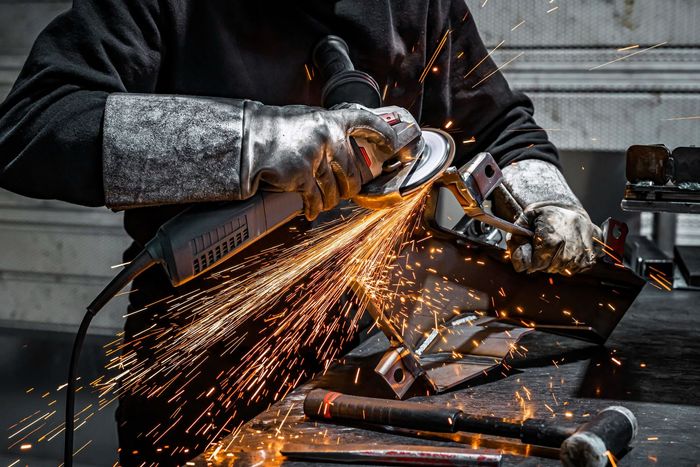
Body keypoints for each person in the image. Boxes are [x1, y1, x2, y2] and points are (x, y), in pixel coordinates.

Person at [0, 1, 601, 464]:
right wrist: (253, 140)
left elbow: (499, 124)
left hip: (373, 361)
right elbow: (35, 125)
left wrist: (543, 194)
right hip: (200, 357)